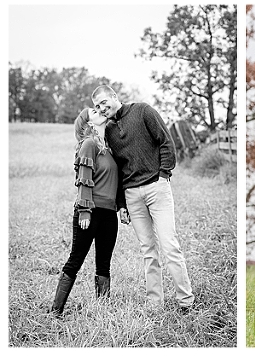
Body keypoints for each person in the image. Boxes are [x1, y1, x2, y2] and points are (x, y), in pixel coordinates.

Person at [91, 85, 194, 311]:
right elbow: (117, 169)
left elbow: (166, 142)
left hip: (157, 188)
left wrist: (163, 175)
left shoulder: (143, 111)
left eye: (103, 102)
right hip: (132, 195)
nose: (101, 108)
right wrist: (121, 204)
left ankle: (185, 300)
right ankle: (155, 303)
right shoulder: (108, 130)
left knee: (169, 246)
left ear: (114, 97)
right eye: (97, 106)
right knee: (148, 250)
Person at [50, 108, 120, 317]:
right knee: (76, 260)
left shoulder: (107, 147)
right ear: (89, 123)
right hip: (90, 211)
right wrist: (84, 211)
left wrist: (121, 206)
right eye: (95, 111)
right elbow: (83, 179)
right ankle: (55, 311)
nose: (100, 111)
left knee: (104, 264)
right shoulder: (89, 144)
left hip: (109, 213)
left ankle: (102, 312)